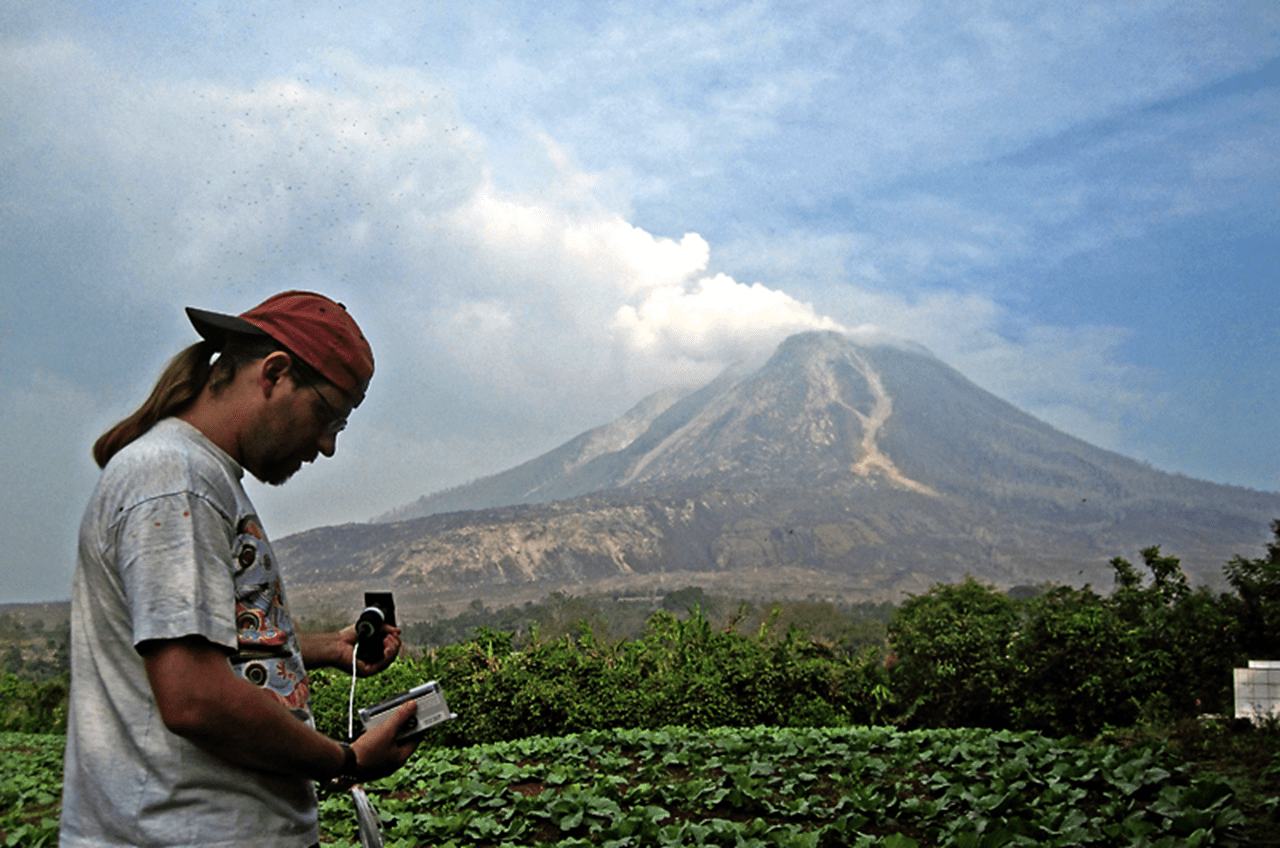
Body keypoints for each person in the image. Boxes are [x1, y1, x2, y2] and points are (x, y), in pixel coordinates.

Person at [59, 291, 420, 848]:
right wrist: (345, 759)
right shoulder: (176, 479)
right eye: (326, 415)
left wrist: (323, 648)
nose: (326, 446)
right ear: (274, 373)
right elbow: (195, 698)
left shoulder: (198, 475)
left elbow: (196, 647)